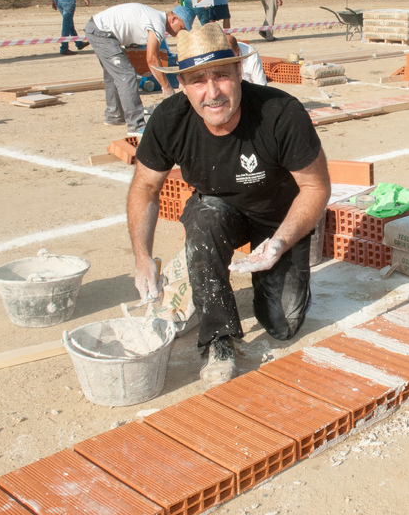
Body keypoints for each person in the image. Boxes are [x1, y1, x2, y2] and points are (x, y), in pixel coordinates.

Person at [127, 21, 330, 389]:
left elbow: (316, 187)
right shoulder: (170, 119)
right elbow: (144, 188)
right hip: (220, 210)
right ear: (183, 86)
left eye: (221, 76)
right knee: (204, 218)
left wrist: (281, 243)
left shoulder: (280, 113)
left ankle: (253, 268)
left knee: (282, 323)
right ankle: (218, 339)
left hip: (279, 219)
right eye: (197, 81)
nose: (212, 92)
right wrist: (142, 259)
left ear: (239, 70)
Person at [83, 3, 194, 135]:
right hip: (102, 32)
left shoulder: (154, 17)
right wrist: (166, 86)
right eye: (181, 27)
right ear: (174, 19)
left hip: (98, 28)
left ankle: (114, 115)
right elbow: (152, 58)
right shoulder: (157, 23)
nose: (180, 32)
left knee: (114, 74)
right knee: (127, 75)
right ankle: (136, 125)